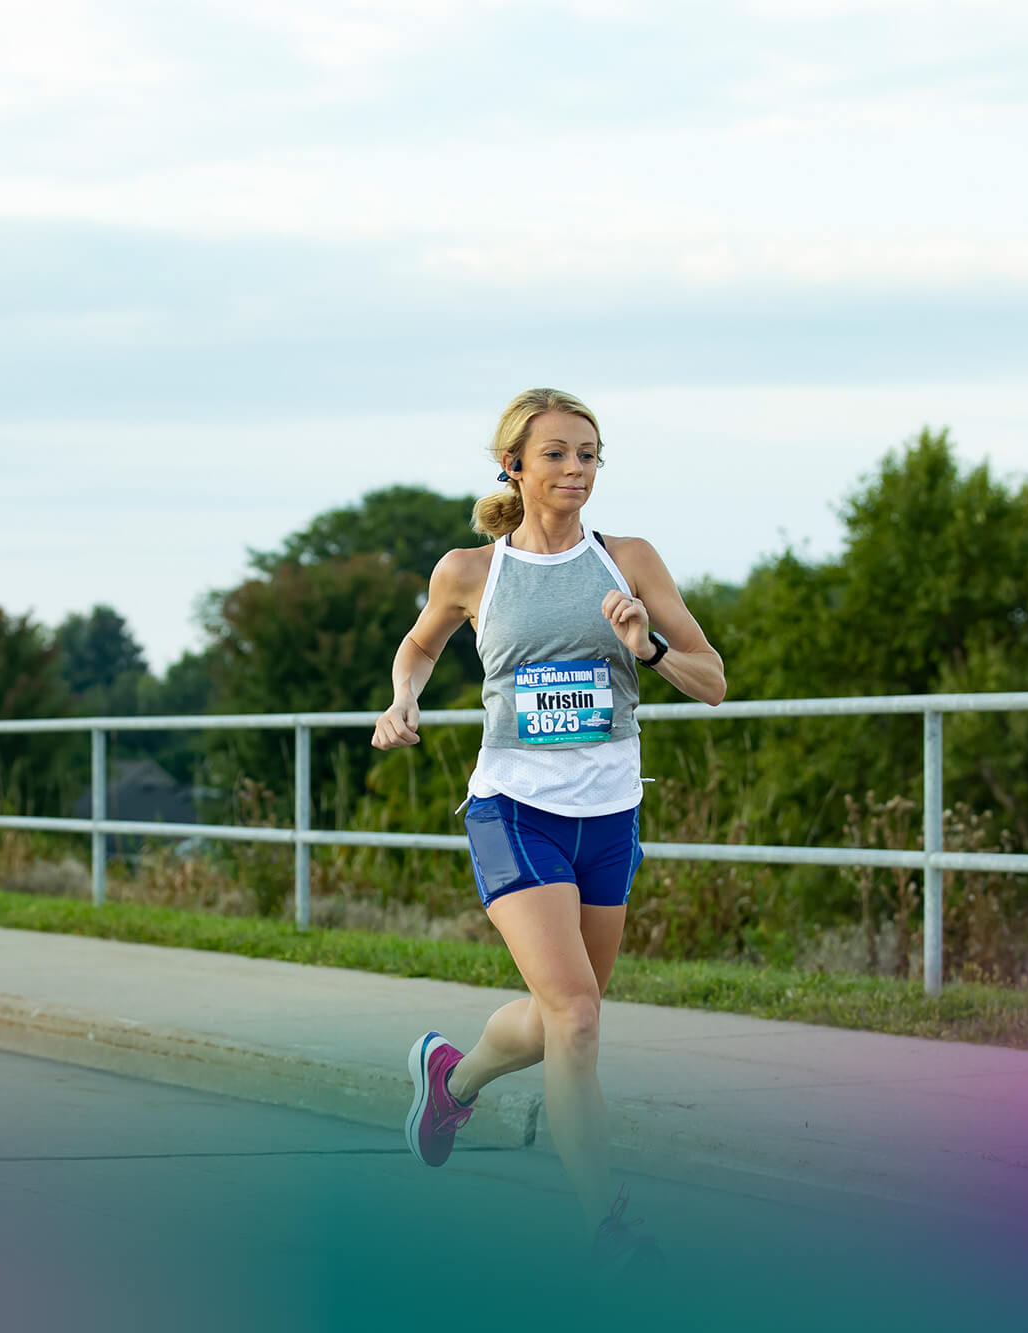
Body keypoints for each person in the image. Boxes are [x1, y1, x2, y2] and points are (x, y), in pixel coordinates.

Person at [372, 387, 725, 1266]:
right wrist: (402, 700)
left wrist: (645, 647)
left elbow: (712, 680)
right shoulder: (472, 571)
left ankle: (452, 1078)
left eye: (590, 454)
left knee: (568, 1013)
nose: (576, 469)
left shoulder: (630, 560)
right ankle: (604, 1222)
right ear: (515, 467)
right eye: (558, 453)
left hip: (608, 816)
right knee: (575, 1016)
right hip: (514, 811)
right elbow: (419, 645)